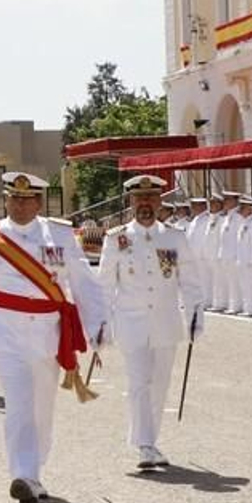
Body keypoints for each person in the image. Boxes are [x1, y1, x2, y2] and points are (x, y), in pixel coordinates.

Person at [0, 172, 106, 503]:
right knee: (18, 402)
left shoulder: (59, 234)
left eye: (26, 199)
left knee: (42, 406)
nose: (19, 205)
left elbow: (83, 283)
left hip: (47, 331)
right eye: (13, 198)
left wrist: (97, 327)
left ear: (39, 203)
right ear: (5, 200)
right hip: (6, 330)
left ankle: (35, 470)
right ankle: (23, 474)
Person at [96, 175, 204, 470]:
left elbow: (190, 281)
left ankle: (149, 440)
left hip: (165, 322)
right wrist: (100, 323)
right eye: (139, 198)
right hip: (131, 322)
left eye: (150, 198)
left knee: (159, 384)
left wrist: (195, 316)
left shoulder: (174, 237)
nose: (145, 203)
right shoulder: (116, 238)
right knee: (139, 382)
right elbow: (105, 285)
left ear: (159, 202)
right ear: (131, 202)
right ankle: (145, 445)